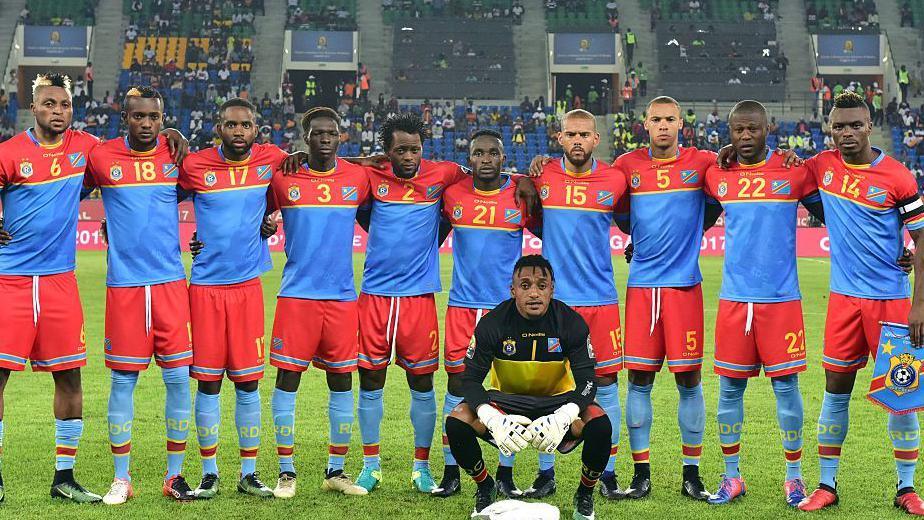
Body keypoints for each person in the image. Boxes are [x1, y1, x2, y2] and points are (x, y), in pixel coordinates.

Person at [338, 113, 537, 494]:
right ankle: (372, 466)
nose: (410, 155)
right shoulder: (373, 178)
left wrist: (523, 177)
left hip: (423, 298)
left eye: (415, 148)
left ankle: (426, 468)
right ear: (387, 152)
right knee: (373, 380)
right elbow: (336, 170)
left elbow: (483, 169)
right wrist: (364, 161)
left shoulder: (445, 175)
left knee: (431, 383)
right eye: (401, 149)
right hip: (377, 296)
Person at [796, 91, 924, 515]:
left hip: (891, 304)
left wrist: (918, 307)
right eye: (838, 126)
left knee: (901, 395)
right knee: (835, 390)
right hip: (843, 303)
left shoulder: (899, 177)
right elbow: (779, 166)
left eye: (854, 125)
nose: (846, 133)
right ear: (829, 128)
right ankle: (826, 484)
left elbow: (921, 243)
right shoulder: (822, 166)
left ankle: (906, 488)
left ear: (870, 126)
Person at [703, 100, 825, 507]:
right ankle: (732, 476)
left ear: (768, 128)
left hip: (781, 301)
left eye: (752, 129)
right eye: (737, 130)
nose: (744, 137)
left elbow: (834, 214)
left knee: (786, 386)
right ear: (729, 131)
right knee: (729, 389)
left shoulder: (794, 171)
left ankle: (794, 478)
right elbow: (685, 215)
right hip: (734, 301)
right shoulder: (717, 173)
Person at [84, 86, 196, 504]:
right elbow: (58, 191)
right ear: (124, 117)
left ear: (162, 117)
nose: (146, 124)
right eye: (138, 117)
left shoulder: (176, 155)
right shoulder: (101, 157)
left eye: (154, 117)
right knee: (122, 381)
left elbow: (219, 189)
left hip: (170, 284)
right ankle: (121, 479)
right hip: (125, 288)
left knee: (178, 380)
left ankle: (174, 476)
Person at [445, 254, 611, 520]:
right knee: (456, 422)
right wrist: (491, 417)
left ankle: (585, 494)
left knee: (601, 425)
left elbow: (588, 380)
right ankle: (485, 485)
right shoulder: (492, 323)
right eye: (525, 285)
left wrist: (566, 414)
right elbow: (470, 380)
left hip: (558, 403)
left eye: (541, 285)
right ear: (513, 290)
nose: (534, 293)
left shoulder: (571, 322)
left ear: (552, 289)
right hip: (506, 403)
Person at [0, 73, 102, 504]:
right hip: (10, 282)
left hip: (60, 281)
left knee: (70, 377)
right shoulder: (9, 152)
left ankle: (64, 477)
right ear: (33, 107)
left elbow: (132, 156)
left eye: (64, 104)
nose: (57, 111)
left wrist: (171, 133)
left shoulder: (86, 148)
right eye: (48, 104)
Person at [179, 98, 287, 499]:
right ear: (218, 128)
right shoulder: (194, 166)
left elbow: (299, 177)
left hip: (247, 289)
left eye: (245, 125)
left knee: (247, 383)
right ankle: (209, 473)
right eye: (230, 125)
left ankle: (249, 472)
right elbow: (156, 197)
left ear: (256, 129)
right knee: (207, 384)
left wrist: (270, 218)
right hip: (204, 289)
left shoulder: (271, 160)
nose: (238, 132)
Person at [613, 96, 717, 500]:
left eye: (669, 119)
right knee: (638, 379)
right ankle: (642, 474)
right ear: (644, 124)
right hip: (641, 290)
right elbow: (620, 214)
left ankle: (691, 473)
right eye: (655, 119)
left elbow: (717, 204)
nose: (662, 126)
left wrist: (691, 235)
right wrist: (637, 241)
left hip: (684, 288)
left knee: (689, 379)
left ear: (681, 124)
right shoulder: (627, 165)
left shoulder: (703, 162)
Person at [522, 110, 628, 500]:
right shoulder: (542, 174)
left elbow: (636, 221)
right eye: (571, 134)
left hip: (600, 300)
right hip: (553, 305)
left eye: (585, 134)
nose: (578, 140)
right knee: (545, 386)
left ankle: (608, 471)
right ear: (559, 138)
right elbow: (530, 215)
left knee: (606, 385)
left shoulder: (616, 179)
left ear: (596, 139)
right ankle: (545, 472)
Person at [266, 107, 370, 498]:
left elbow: (382, 166)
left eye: (332, 133)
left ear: (341, 137)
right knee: (287, 380)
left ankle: (336, 471)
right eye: (318, 133)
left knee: (342, 380)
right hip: (296, 296)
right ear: (305, 137)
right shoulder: (283, 176)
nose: (325, 138)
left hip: (342, 297)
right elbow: (255, 211)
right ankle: (286, 471)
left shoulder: (357, 177)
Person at [430, 129, 536, 499]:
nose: (487, 159)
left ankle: (505, 473)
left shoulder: (520, 195)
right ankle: (450, 469)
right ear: (469, 158)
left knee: (508, 392)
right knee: (456, 388)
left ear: (504, 158)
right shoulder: (453, 193)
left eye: (494, 152)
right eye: (479, 153)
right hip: (461, 308)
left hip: (506, 313)